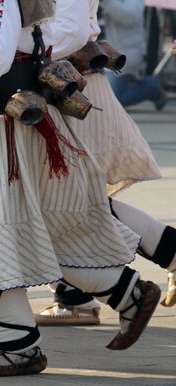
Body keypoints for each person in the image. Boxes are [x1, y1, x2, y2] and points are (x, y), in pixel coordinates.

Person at [0, 0, 160, 377]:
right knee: (52, 230)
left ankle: (20, 348)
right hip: (21, 123)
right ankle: (128, 294)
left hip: (9, 127)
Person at [34, 0, 175, 326]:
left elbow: (72, 31)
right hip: (62, 87)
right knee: (70, 199)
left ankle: (80, 297)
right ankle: (75, 296)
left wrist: (15, 57)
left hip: (71, 91)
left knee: (65, 199)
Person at [101, 0, 167, 110]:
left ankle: (152, 87)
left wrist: (106, 2)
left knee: (113, 100)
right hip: (106, 54)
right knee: (104, 97)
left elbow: (129, 17)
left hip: (128, 54)